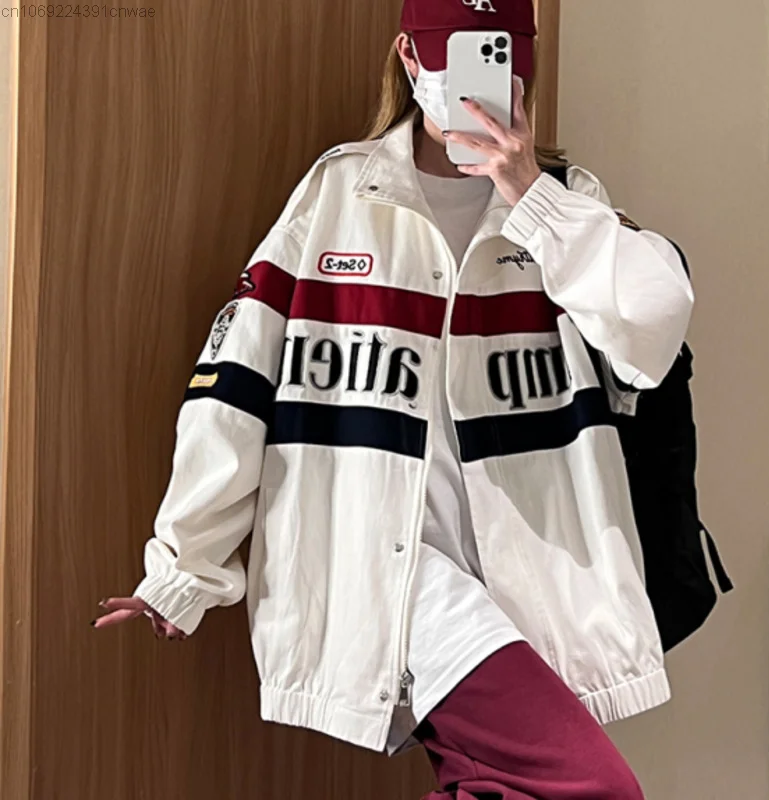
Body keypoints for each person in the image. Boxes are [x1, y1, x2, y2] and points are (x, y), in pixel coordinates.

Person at [95, 1, 695, 797]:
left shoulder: (564, 201)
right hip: (390, 570)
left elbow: (655, 324)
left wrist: (528, 192)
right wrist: (185, 566)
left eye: (496, 57)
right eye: (451, 58)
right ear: (410, 59)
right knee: (593, 788)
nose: (472, 86)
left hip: (532, 579)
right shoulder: (341, 193)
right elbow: (238, 378)